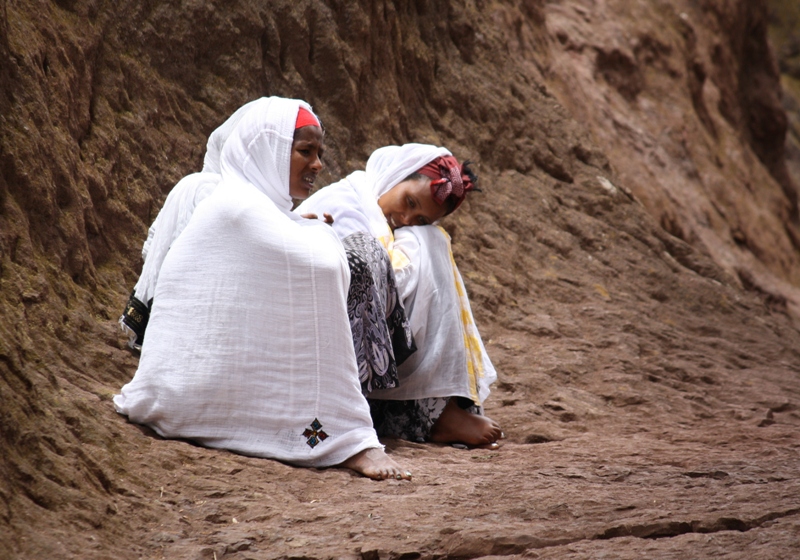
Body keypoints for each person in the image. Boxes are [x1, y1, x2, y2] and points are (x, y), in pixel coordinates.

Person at [114, 97, 411, 480]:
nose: (318, 165)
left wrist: (306, 227)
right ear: (266, 151)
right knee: (344, 260)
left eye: (319, 153)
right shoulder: (236, 207)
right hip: (190, 394)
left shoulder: (255, 204)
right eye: (306, 151)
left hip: (195, 390)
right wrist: (318, 233)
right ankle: (333, 436)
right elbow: (317, 265)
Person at [296, 143, 503, 448]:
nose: (406, 218)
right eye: (409, 200)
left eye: (420, 217)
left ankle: (431, 410)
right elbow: (358, 284)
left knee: (430, 237)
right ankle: (434, 413)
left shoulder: (374, 208)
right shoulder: (344, 204)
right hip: (313, 344)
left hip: (354, 348)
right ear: (396, 174)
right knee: (428, 242)